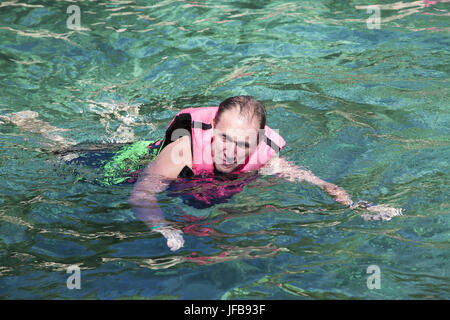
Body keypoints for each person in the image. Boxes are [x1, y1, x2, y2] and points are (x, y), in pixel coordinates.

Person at [129, 96, 399, 252]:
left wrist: (355, 206)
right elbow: (141, 194)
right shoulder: (182, 151)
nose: (231, 152)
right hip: (130, 166)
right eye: (225, 139)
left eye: (244, 144)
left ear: (258, 141)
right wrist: (163, 228)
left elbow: (321, 184)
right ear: (213, 126)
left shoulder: (266, 159)